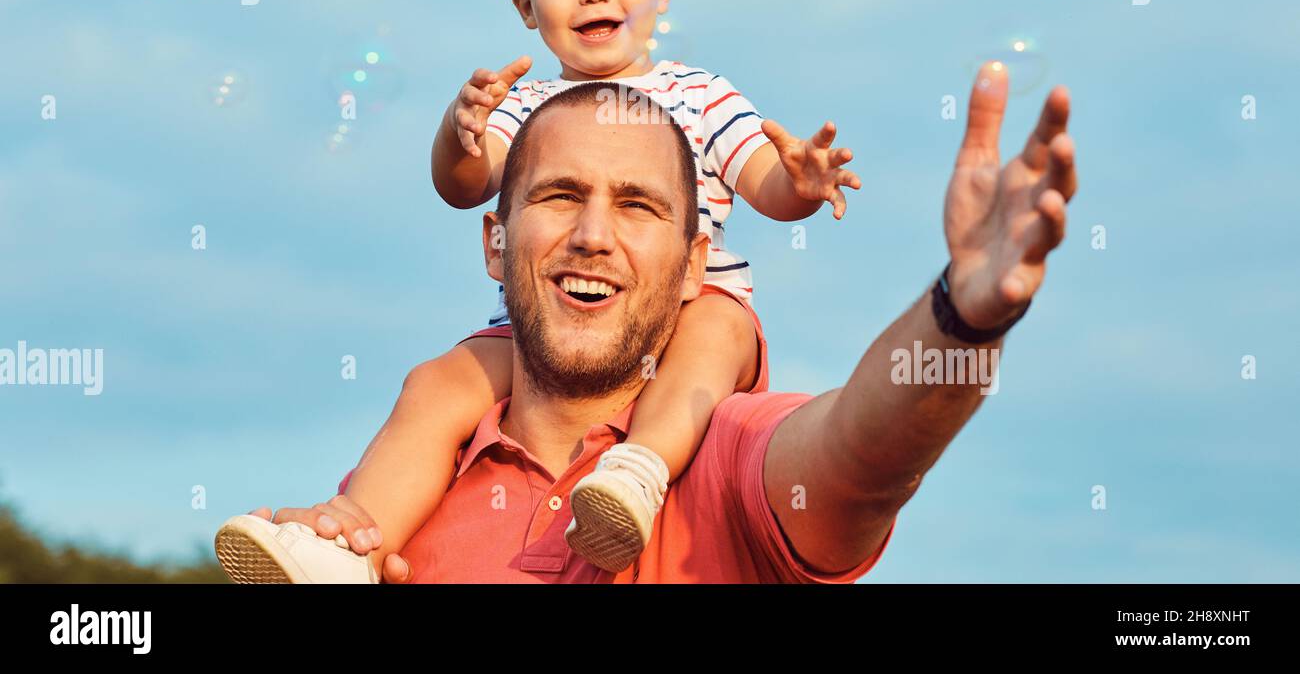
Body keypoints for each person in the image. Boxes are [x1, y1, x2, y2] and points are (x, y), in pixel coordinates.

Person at [215, 0, 862, 580]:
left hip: (691, 301)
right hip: (540, 328)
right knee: (437, 383)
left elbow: (765, 182)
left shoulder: (703, 95)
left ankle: (637, 474)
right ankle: (347, 542)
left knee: (715, 331)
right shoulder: (523, 106)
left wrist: (803, 182)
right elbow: (464, 185)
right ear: (525, 4)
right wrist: (458, 133)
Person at [226, 58, 1077, 583]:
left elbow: (865, 453)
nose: (593, 236)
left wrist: (960, 321)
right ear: (495, 243)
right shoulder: (410, 492)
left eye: (637, 207)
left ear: (694, 267)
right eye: (560, 196)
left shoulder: (724, 453)